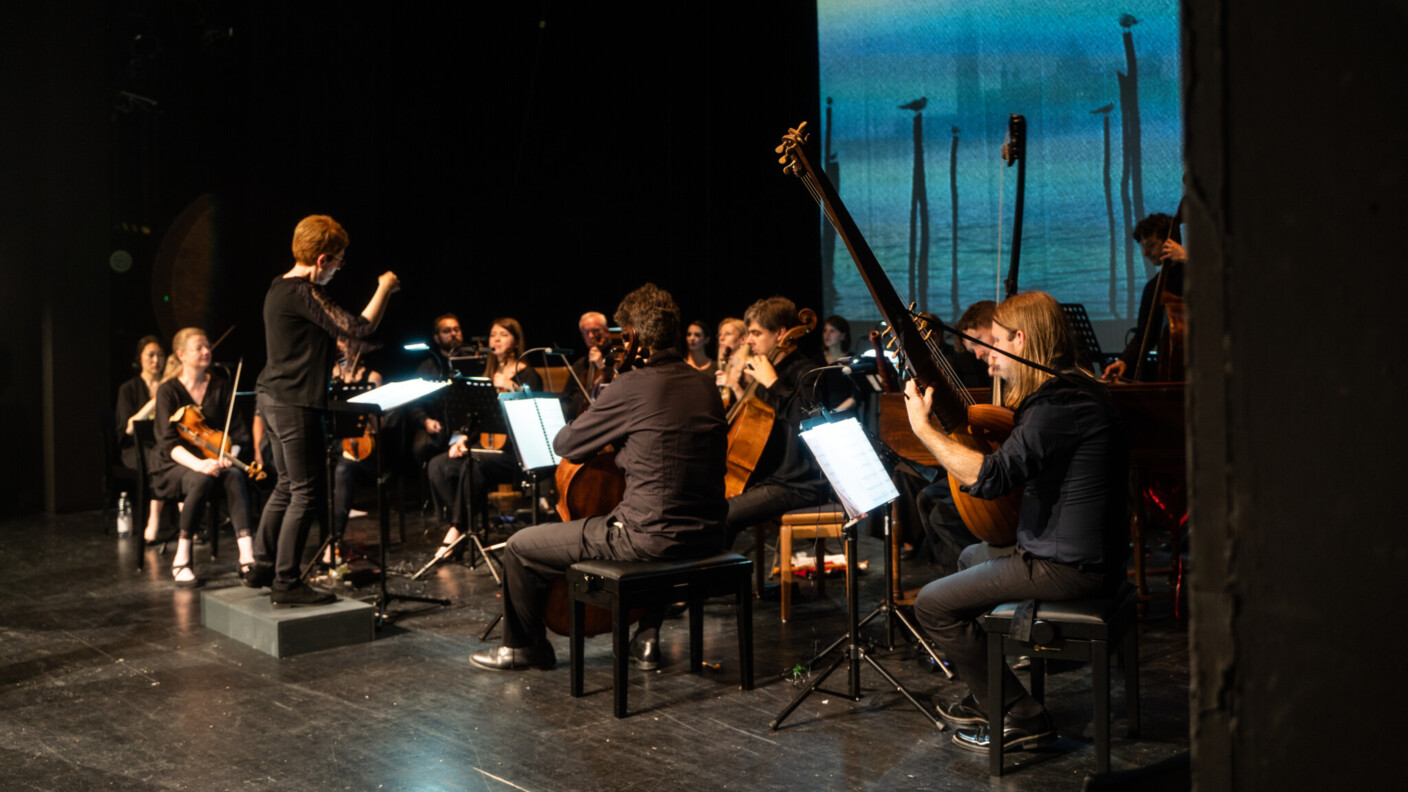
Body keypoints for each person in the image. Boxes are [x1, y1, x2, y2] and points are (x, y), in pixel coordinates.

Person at [902, 291, 1127, 754]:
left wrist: (925, 431)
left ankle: (1023, 717)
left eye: (998, 343)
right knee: (969, 556)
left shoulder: (1056, 404)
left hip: (1066, 567)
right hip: (1067, 555)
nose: (990, 360)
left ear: (1020, 340)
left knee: (931, 606)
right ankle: (993, 690)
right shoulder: (1072, 388)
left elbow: (991, 479)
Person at [470, 283, 727, 671]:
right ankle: (647, 634)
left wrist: (616, 392)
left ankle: (524, 647)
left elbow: (567, 443)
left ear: (634, 337)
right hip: (709, 532)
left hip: (647, 538)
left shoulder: (632, 385)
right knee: (656, 526)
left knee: (520, 547)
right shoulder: (705, 383)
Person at [244, 214, 400, 607]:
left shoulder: (279, 287)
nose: (338, 269)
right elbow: (359, 328)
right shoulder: (302, 291)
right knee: (306, 492)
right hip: (293, 402)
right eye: (338, 261)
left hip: (275, 397)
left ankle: (262, 565)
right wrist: (384, 288)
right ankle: (286, 581)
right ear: (322, 259)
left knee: (286, 486)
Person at [426, 318, 543, 563]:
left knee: (474, 464)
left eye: (503, 335)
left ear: (515, 340)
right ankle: (463, 527)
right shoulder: (487, 375)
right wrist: (462, 439)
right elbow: (477, 419)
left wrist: (511, 387)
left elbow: (533, 419)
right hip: (485, 449)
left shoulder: (529, 376)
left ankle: (456, 531)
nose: (496, 340)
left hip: (514, 454)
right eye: (492, 335)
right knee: (438, 464)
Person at [150, 328, 256, 587]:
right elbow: (168, 444)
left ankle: (247, 557)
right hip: (176, 464)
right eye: (199, 347)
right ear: (181, 354)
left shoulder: (221, 385)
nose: (207, 352)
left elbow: (239, 433)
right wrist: (200, 464)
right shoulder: (168, 391)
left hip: (216, 460)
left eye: (208, 346)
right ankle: (182, 558)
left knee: (233, 476)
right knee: (201, 480)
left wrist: (229, 457)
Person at [722, 297, 830, 543]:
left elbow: (808, 423)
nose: (749, 340)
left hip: (799, 485)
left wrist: (773, 384)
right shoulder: (765, 371)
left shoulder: (808, 373)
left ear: (780, 333)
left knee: (722, 516)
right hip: (768, 480)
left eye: (756, 333)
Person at [1102, 212, 1186, 382]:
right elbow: (1144, 336)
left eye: (1151, 245)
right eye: (1143, 246)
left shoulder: (1198, 277)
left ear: (1170, 244)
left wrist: (1187, 259)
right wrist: (1123, 360)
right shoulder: (1153, 288)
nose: (1145, 253)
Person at [329, 338, 383, 563]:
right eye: (341, 341)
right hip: (333, 443)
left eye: (349, 342)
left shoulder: (372, 377)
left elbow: (377, 420)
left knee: (344, 469)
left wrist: (356, 396)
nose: (345, 346)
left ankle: (335, 540)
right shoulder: (327, 375)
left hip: (366, 447)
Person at [115, 334, 166, 542]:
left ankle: (187, 523)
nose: (156, 360)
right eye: (150, 355)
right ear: (140, 359)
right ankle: (153, 522)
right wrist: (156, 401)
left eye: (160, 355)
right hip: (134, 450)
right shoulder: (128, 389)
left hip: (161, 447)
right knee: (158, 461)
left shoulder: (170, 387)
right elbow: (128, 428)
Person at [410, 313, 464, 464]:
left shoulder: (473, 362)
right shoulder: (427, 367)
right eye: (447, 331)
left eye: (456, 330)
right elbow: (415, 403)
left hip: (465, 427)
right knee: (422, 447)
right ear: (437, 338)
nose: (453, 334)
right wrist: (426, 421)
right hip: (437, 424)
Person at [563, 311, 613, 418]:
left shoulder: (616, 358)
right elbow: (565, 398)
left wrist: (601, 366)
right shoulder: (579, 364)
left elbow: (619, 386)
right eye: (586, 332)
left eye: (595, 330)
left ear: (606, 331)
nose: (591, 336)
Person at [715, 316, 749, 405]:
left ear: (743, 339)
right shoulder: (726, 366)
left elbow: (752, 406)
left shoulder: (747, 367)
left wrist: (734, 385)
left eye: (728, 334)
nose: (721, 338)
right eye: (720, 334)